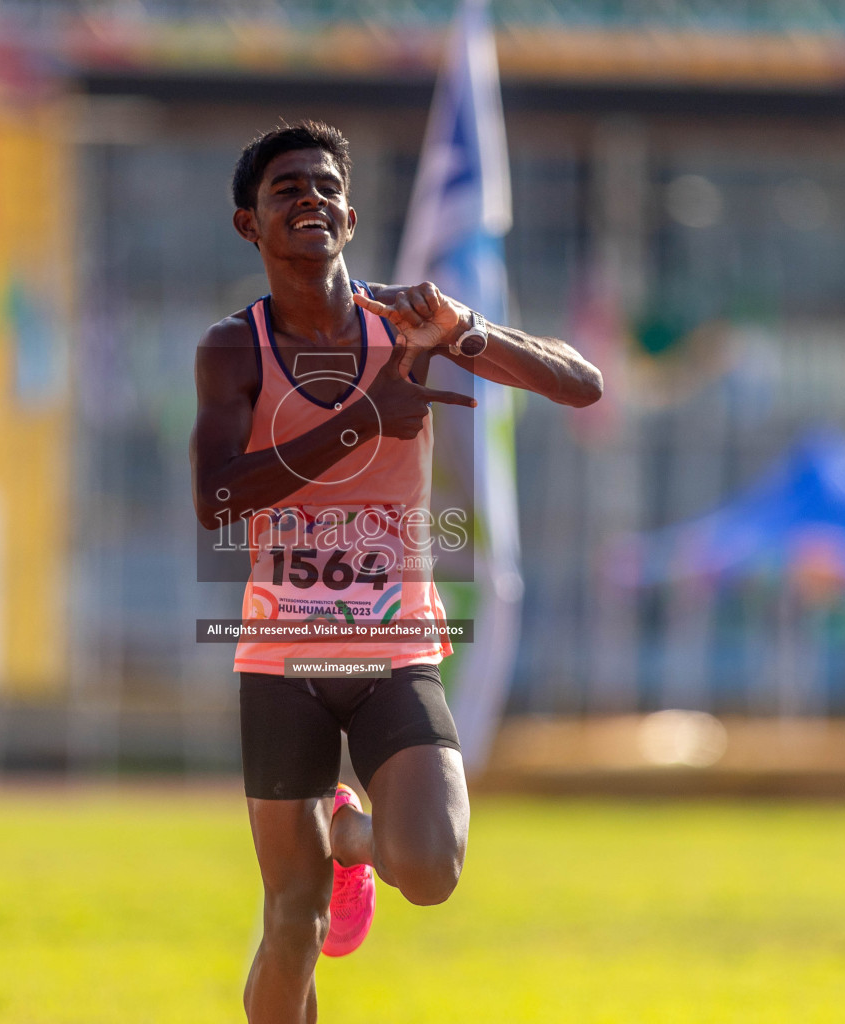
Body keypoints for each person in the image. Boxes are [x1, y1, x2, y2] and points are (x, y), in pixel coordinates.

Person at [190, 121, 602, 1024]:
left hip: (394, 653)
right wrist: (359, 422)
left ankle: (352, 833)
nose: (310, 199)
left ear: (349, 212)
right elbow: (216, 502)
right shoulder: (234, 349)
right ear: (247, 226)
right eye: (285, 189)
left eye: (325, 186)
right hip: (281, 662)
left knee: (430, 868)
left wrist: (472, 332)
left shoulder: (406, 325)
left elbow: (583, 386)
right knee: (292, 922)